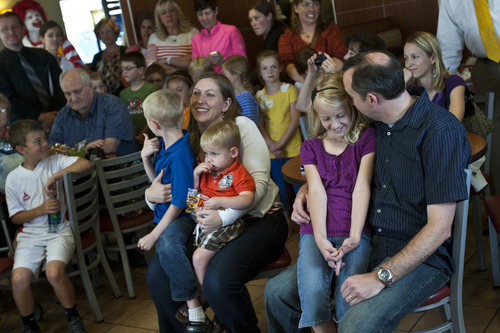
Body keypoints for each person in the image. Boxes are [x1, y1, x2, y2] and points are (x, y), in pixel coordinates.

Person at [264, 51, 471, 333]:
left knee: (356, 325)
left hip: (418, 257)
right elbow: (334, 158)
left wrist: (381, 276)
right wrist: (308, 189)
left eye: (351, 96)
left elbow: (440, 228)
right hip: (363, 239)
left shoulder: (440, 131)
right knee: (276, 294)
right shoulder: (371, 122)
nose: (349, 102)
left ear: (371, 99)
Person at [145, 73, 288, 332]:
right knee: (158, 275)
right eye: (196, 93)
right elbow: (185, 196)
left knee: (217, 281)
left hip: (260, 218)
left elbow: (258, 187)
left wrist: (222, 217)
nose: (200, 99)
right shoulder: (186, 140)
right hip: (210, 222)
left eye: (210, 94)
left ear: (226, 104)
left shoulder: (240, 126)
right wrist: (150, 196)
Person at [296, 73, 375, 332]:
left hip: (354, 229)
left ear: (351, 107)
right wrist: (320, 239)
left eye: (340, 115)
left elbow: (361, 188)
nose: (335, 123)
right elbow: (316, 193)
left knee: (348, 296)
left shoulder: (365, 138)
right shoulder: (310, 147)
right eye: (326, 118)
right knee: (313, 290)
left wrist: (354, 236)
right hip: (316, 231)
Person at [5, 119, 91, 333]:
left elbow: (85, 163)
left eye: (44, 137)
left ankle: (73, 316)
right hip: (30, 236)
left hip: (59, 232)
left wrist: (56, 175)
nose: (45, 143)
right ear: (21, 150)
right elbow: (15, 218)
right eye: (38, 141)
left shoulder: (54, 161)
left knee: (54, 273)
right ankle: (29, 325)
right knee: (19, 278)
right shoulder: (13, 179)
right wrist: (40, 210)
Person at [181, 120, 256, 330]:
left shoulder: (239, 173)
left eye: (214, 153)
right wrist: (195, 178)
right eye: (206, 154)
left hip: (227, 224)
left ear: (233, 152)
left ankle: (212, 303)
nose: (209, 159)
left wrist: (220, 202)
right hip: (204, 223)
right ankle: (209, 302)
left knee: (198, 258)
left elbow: (247, 199)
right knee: (190, 255)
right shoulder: (205, 173)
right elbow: (191, 203)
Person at [437, 0, 500, 195]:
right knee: (495, 137)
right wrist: (439, 89)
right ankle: (497, 203)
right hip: (487, 67)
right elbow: (447, 47)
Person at [137, 89, 196, 252]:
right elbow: (156, 181)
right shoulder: (166, 144)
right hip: (165, 216)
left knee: (168, 245)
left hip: (181, 217)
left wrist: (153, 235)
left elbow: (180, 202)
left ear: (155, 125)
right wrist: (145, 158)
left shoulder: (179, 155)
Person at [255, 50, 301, 223]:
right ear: (259, 72)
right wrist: (272, 145)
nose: (270, 71)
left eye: (274, 67)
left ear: (281, 68)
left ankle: (306, 220)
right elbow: (259, 124)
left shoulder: (289, 90)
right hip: (272, 151)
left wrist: (280, 144)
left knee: (298, 185)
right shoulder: (259, 96)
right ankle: (286, 222)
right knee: (280, 188)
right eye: (265, 68)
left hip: (292, 148)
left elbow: (295, 120)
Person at [0, 12, 66, 130]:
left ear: (22, 28)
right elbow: (7, 99)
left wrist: (54, 115)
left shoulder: (43, 55)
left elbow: (60, 84)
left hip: (57, 121)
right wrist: (39, 117)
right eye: (5, 29)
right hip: (22, 128)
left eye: (14, 27)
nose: (11, 32)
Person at [49, 69, 136, 157]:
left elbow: (110, 147)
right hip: (78, 169)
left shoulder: (112, 105)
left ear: (90, 86)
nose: (73, 98)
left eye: (77, 91)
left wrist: (75, 152)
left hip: (118, 168)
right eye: (68, 94)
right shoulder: (62, 115)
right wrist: (84, 150)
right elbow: (53, 151)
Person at [278, 0, 347, 84]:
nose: (311, 9)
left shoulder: (331, 30)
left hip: (328, 84)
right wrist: (305, 81)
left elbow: (340, 57)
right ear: (295, 8)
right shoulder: (287, 37)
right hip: (301, 88)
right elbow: (286, 64)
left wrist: (322, 76)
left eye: (316, 4)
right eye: (306, 4)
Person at [404, 31, 466, 121]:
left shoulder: (454, 83)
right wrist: (400, 89)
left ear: (433, 58)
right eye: (406, 58)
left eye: (415, 57)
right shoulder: (406, 88)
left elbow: (453, 125)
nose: (408, 64)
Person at [11, 0, 84, 69]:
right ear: (22, 23)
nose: (36, 18)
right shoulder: (21, 47)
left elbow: (78, 65)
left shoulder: (61, 39)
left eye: (37, 14)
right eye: (30, 17)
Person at [191, 0, 247, 73]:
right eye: (200, 15)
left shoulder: (231, 31)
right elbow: (195, 69)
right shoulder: (196, 39)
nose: (204, 18)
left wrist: (223, 60)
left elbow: (243, 62)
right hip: (209, 81)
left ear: (216, 11)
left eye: (207, 13)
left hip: (230, 80)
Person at [145, 0, 199, 75]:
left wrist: (167, 60)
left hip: (190, 82)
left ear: (177, 13)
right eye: (163, 12)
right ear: (159, 19)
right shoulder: (154, 38)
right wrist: (179, 72)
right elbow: (152, 67)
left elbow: (197, 60)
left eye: (172, 10)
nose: (169, 15)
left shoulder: (193, 33)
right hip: (164, 84)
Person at [119, 52, 158, 141]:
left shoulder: (151, 89)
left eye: (128, 68)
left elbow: (155, 116)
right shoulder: (123, 94)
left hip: (152, 137)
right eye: (122, 69)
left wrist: (142, 135)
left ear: (140, 70)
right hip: (133, 139)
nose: (124, 72)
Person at [90, 18, 127, 96]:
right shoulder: (97, 57)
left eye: (108, 31)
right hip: (104, 97)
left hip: (125, 94)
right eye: (102, 33)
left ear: (115, 32)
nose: (106, 35)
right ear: (99, 35)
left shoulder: (125, 51)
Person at [221, 55, 259, 124]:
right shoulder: (232, 96)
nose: (222, 77)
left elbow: (248, 126)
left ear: (236, 75)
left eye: (224, 74)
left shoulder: (246, 99)